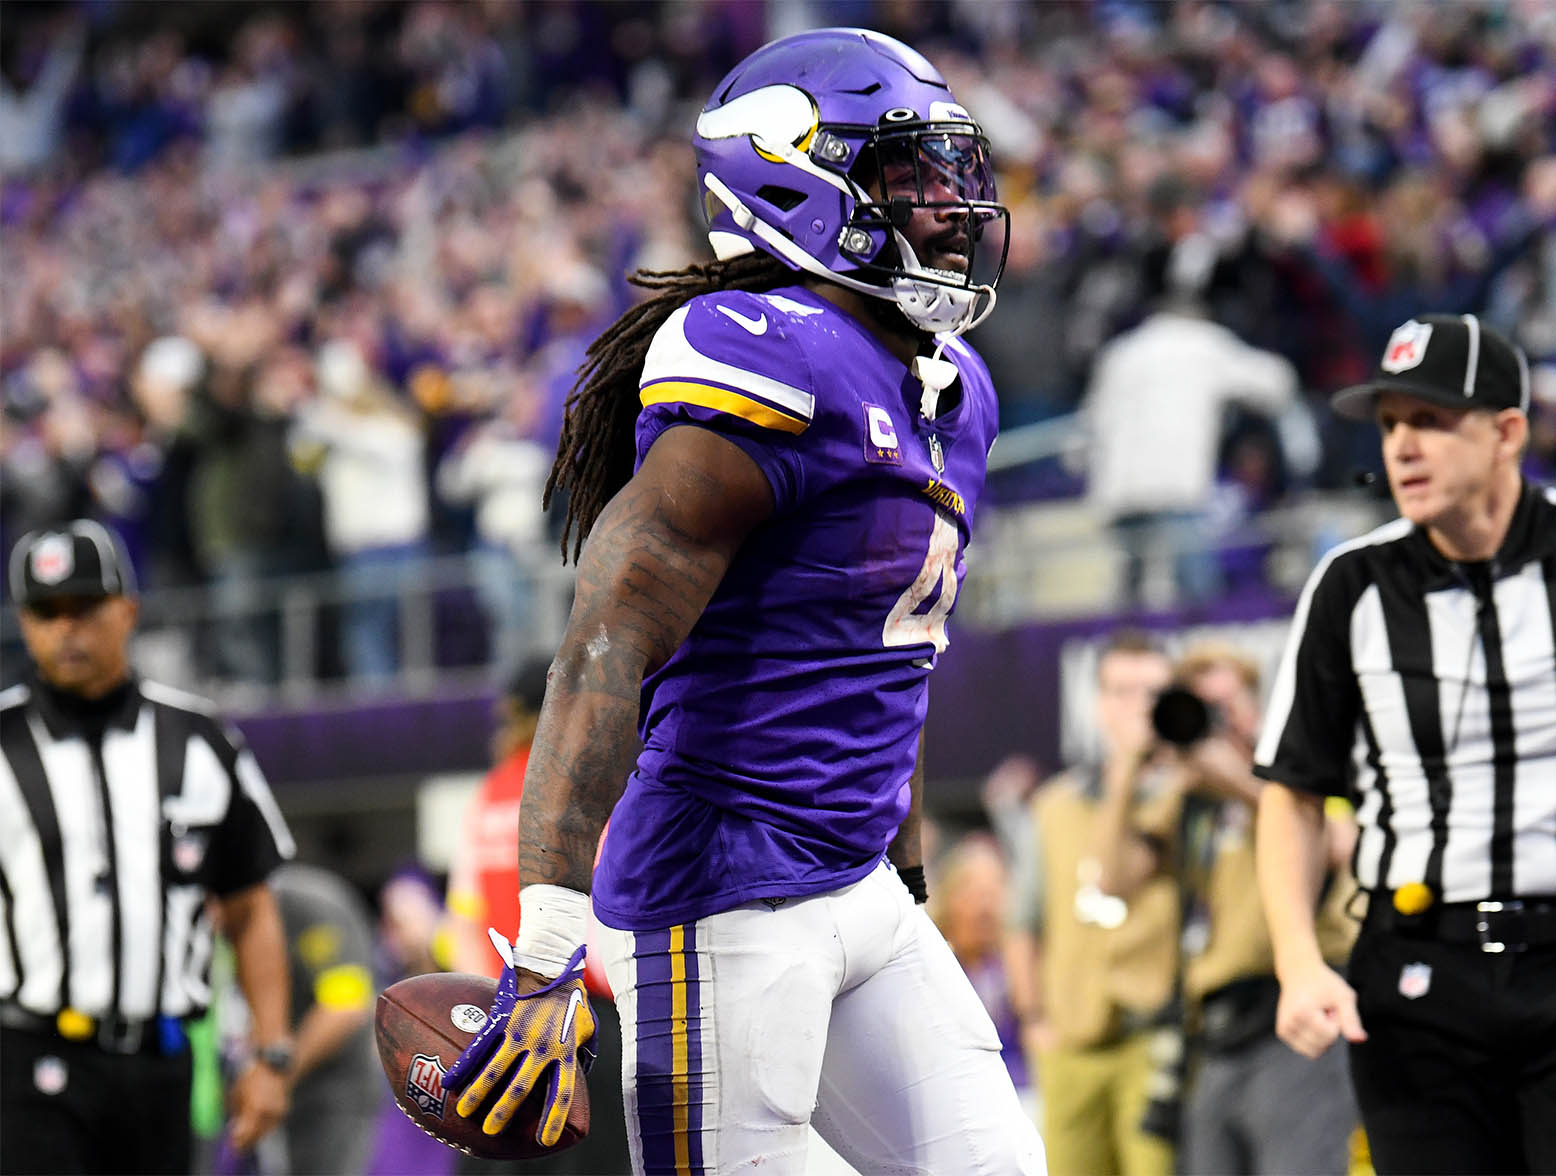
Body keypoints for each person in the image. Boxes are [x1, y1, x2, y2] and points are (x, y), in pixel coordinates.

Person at [440, 27, 1044, 1176]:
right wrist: (546, 949)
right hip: (723, 895)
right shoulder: (759, 351)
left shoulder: (953, 386)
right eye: (909, 181)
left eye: (954, 180)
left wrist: (908, 875)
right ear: (797, 185)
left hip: (855, 880)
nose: (950, 211)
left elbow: (878, 668)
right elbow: (607, 645)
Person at [1255, 313, 1556, 1174]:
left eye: (1429, 420)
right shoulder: (1352, 584)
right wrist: (1298, 960)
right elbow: (1294, 789)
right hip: (1417, 977)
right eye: (1389, 425)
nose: (1402, 447)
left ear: (1507, 433)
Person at [0, 519, 296, 1175]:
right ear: (24, 623)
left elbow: (249, 906)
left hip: (160, 1067)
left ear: (127, 610)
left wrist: (271, 1054)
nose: (66, 629)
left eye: (85, 607)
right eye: (47, 613)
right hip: (27, 1063)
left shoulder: (200, 741)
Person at [1099, 642, 1359, 1175]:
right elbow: (1113, 879)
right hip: (1214, 1037)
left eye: (1226, 705)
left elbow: (1339, 844)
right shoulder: (1191, 797)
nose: (1215, 722)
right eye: (1202, 708)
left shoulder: (1300, 774)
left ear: (1256, 707)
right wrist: (1127, 766)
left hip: (1293, 1021)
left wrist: (1241, 779)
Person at [443, 657, 631, 1175]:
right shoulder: (598, 790)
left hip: (498, 1022)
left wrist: (486, 1012)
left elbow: (461, 923)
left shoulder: (485, 798)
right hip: (584, 1019)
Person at [1005, 630, 1180, 1176]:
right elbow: (1022, 921)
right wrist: (1033, 1019)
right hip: (1069, 1042)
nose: (1136, 707)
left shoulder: (1191, 795)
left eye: (1151, 693)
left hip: (1155, 1038)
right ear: (1099, 703)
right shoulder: (1055, 803)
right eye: (1122, 691)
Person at [223, 862, 382, 1176]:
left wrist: (275, 1072)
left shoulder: (304, 904)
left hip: (332, 1098)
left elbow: (345, 1005)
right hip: (291, 1094)